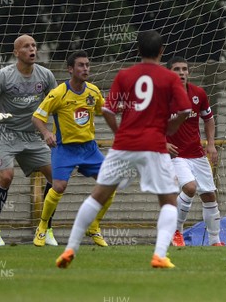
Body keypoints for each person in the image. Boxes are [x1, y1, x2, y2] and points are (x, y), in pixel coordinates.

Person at [56, 30, 191, 269]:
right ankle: (159, 254)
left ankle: (70, 248)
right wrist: (168, 128)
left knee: (97, 196)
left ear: (138, 50)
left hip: (124, 146)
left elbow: (108, 111)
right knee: (169, 201)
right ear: (162, 52)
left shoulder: (124, 75)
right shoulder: (170, 79)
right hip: (154, 146)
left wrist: (120, 134)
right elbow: (184, 111)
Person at [0, 34, 57, 246]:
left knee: (57, 178)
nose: (32, 49)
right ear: (16, 53)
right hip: (6, 134)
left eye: (34, 45)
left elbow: (58, 104)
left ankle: (45, 229)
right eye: (26, 46)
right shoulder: (3, 76)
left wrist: (55, 130)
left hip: (32, 135)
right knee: (6, 176)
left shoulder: (46, 76)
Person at [32, 50, 113, 247]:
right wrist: (46, 133)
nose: (85, 68)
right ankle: (42, 226)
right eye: (81, 65)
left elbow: (103, 110)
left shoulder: (93, 91)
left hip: (89, 149)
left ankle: (93, 227)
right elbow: (37, 117)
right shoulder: (59, 93)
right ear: (70, 69)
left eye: (87, 65)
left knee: (111, 184)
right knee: (59, 186)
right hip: (65, 149)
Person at [165, 57, 224, 247]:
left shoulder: (198, 93)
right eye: (176, 69)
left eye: (184, 69)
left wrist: (211, 144)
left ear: (189, 72)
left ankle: (215, 241)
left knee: (209, 195)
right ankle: (176, 231)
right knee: (189, 188)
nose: (181, 72)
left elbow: (208, 119)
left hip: (197, 154)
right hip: (176, 155)